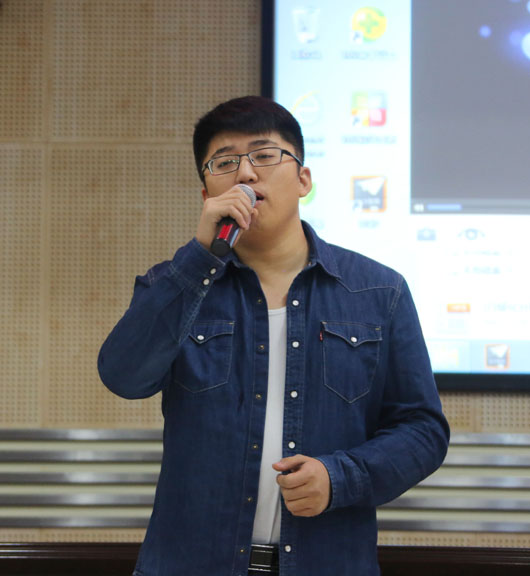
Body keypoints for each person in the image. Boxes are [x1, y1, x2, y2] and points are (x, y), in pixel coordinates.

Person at [98, 95, 449, 576]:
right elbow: (123, 376)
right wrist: (200, 258)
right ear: (206, 193)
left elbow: (423, 430)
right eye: (224, 163)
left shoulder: (378, 291)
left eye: (264, 155)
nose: (245, 173)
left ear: (303, 179)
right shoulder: (174, 284)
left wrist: (340, 477)